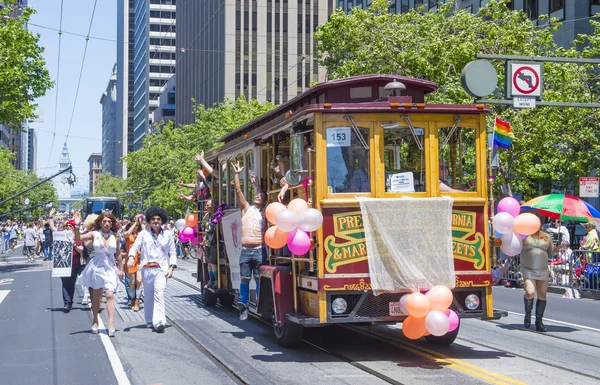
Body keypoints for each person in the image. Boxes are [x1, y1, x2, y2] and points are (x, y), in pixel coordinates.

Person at [127, 207, 177, 333]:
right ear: (149, 220)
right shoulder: (143, 234)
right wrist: (131, 257)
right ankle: (149, 320)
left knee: (159, 294)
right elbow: (134, 247)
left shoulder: (168, 234)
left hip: (161, 270)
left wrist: (171, 268)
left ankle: (159, 321)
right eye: (153, 219)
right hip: (146, 269)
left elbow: (172, 252)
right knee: (148, 296)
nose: (156, 221)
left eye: (158, 219)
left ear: (162, 220)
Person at [74, 212, 123, 337]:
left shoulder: (115, 236)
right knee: (96, 297)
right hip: (97, 267)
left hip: (110, 267)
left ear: (112, 223)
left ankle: (111, 323)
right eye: (104, 221)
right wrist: (76, 225)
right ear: (100, 222)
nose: (107, 223)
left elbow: (118, 253)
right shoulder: (94, 234)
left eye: (109, 222)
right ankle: (95, 320)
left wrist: (121, 269)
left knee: (110, 294)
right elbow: (78, 238)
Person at [232, 160, 267, 321]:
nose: (257, 197)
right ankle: (244, 306)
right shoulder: (247, 209)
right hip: (246, 251)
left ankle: (259, 305)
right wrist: (237, 174)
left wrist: (258, 186)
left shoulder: (265, 212)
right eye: (256, 195)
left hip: (259, 250)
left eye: (260, 196)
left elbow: (263, 195)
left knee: (259, 279)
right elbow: (238, 191)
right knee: (245, 278)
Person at [520, 212, 555, 332]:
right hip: (528, 269)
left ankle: (539, 321)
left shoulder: (547, 236)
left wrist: (558, 248)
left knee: (542, 294)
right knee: (530, 292)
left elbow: (552, 251)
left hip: (543, 269)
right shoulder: (525, 236)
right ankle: (528, 314)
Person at [60, 220, 84, 312]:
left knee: (71, 284)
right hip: (64, 263)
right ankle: (67, 303)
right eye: (67, 226)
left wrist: (73, 244)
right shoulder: (61, 236)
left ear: (74, 228)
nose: (68, 227)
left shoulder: (78, 238)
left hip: (75, 263)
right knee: (65, 284)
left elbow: (81, 250)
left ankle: (70, 302)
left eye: (70, 226)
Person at [122, 214, 143, 312]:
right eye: (135, 226)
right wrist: (134, 223)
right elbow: (126, 234)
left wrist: (141, 223)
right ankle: (133, 298)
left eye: (137, 226)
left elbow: (145, 233)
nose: (136, 228)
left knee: (139, 280)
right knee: (132, 282)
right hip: (130, 260)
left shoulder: (140, 234)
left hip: (140, 259)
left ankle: (137, 301)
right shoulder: (128, 234)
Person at [201, 199, 219, 288]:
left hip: (214, 242)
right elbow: (203, 227)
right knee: (208, 262)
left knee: (213, 262)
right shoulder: (206, 216)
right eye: (207, 205)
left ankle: (216, 280)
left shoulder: (217, 215)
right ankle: (211, 280)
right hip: (207, 241)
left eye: (209, 205)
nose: (207, 207)